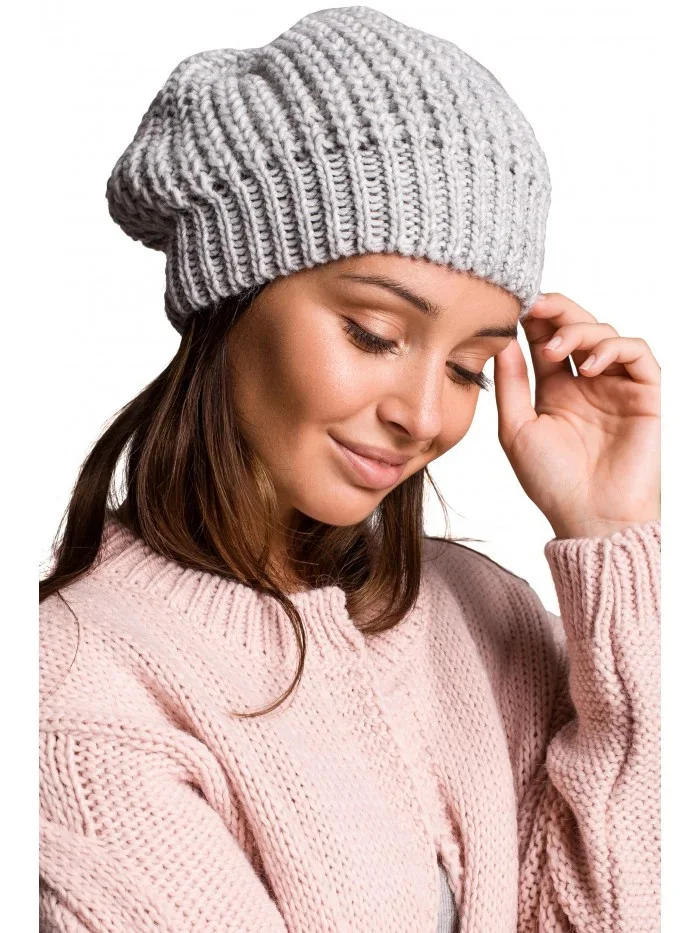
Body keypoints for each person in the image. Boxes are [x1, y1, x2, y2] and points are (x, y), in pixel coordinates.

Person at [38, 5, 661, 932]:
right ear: (231, 299)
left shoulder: (484, 615)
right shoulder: (77, 687)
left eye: (467, 367)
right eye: (373, 333)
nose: (423, 414)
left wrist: (615, 537)